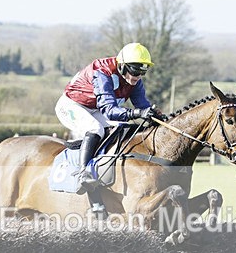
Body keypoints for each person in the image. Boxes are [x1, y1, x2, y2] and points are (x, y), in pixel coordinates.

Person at [55, 42, 159, 188]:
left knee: (120, 127)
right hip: (71, 105)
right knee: (95, 128)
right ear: (122, 65)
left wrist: (158, 117)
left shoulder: (134, 81)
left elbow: (143, 106)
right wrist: (138, 113)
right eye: (135, 71)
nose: (138, 76)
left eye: (143, 72)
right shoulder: (103, 72)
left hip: (94, 108)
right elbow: (109, 110)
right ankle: (83, 173)